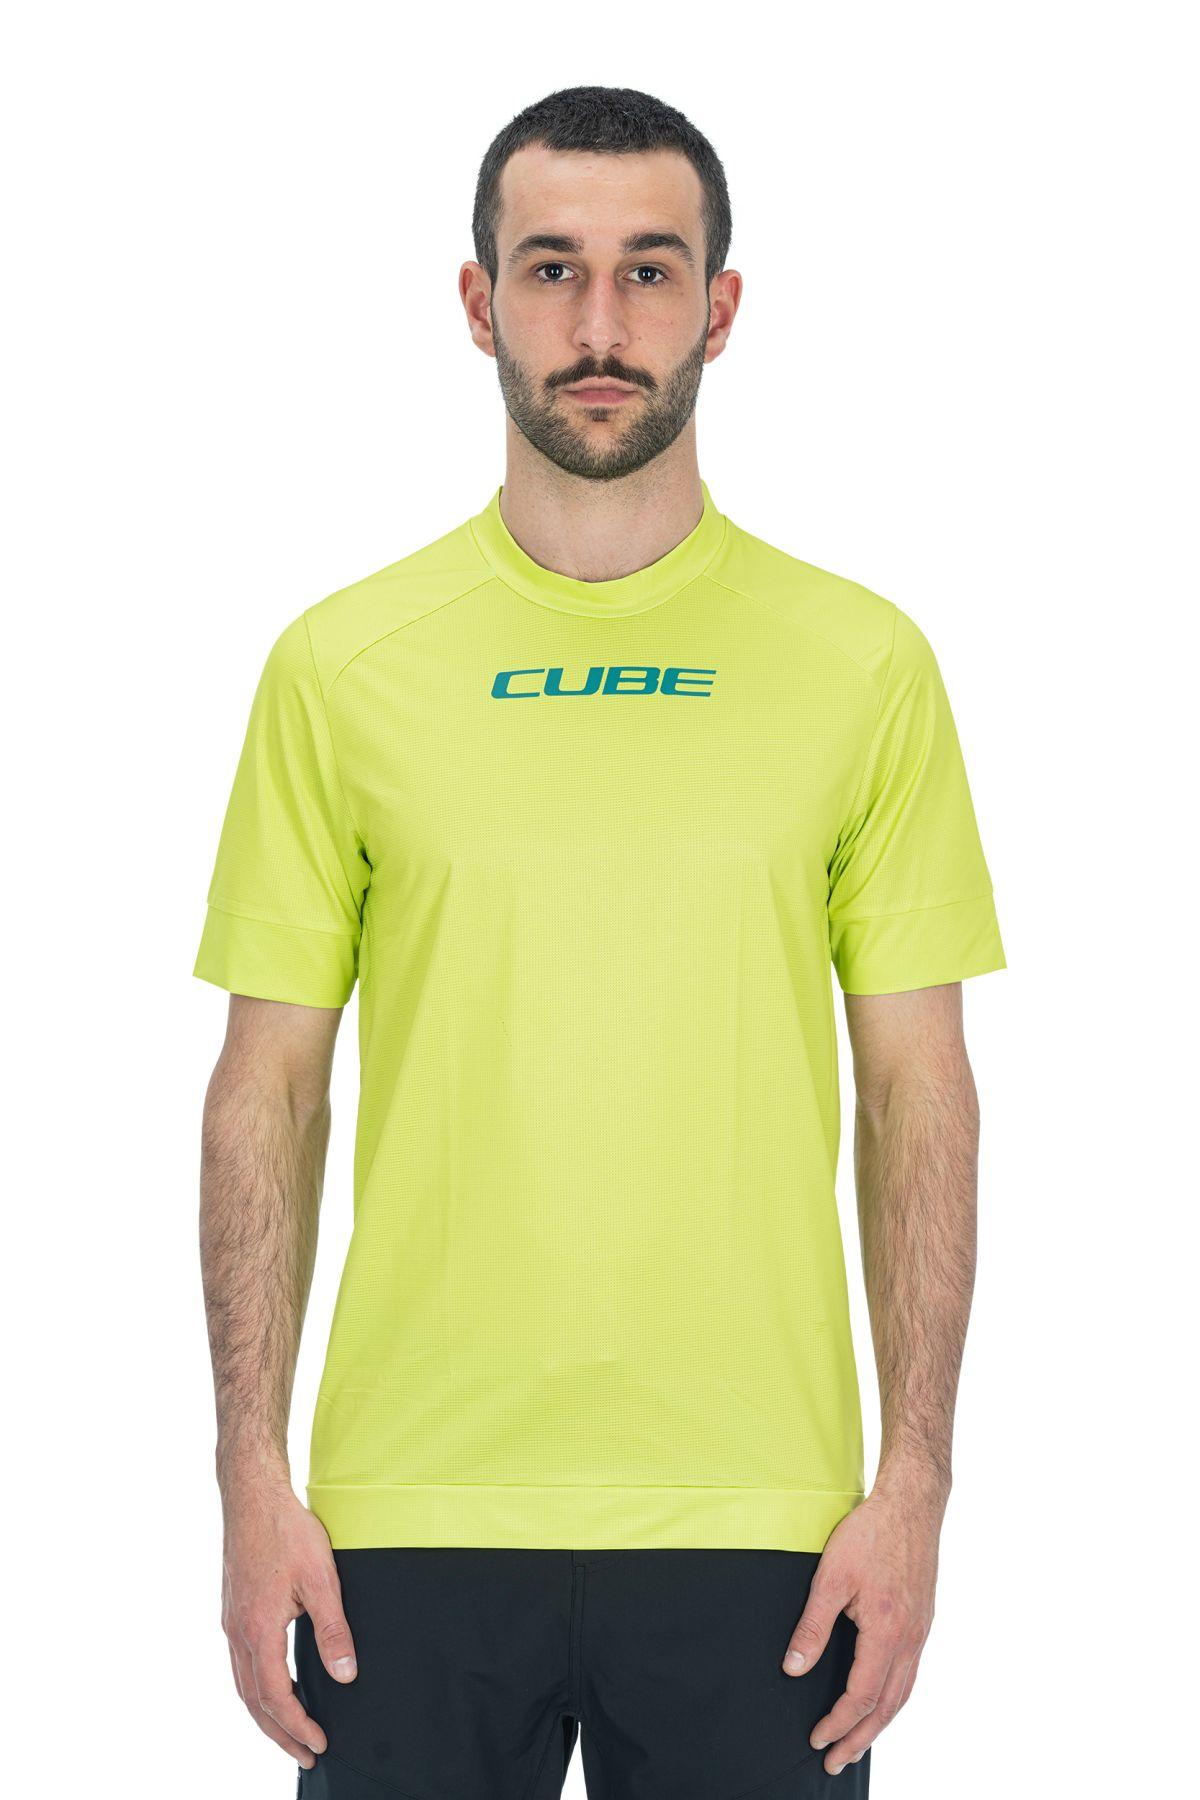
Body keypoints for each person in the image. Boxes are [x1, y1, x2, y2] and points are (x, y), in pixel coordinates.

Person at [194, 84, 1006, 1798]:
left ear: (721, 307)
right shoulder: (340, 666)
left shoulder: (863, 666)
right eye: (551, 268)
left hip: (767, 1528)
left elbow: (918, 1095)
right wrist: (249, 1478)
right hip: (405, 1521)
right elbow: (267, 1093)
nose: (599, 324)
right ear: (478, 301)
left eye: (650, 270)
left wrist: (916, 1484)